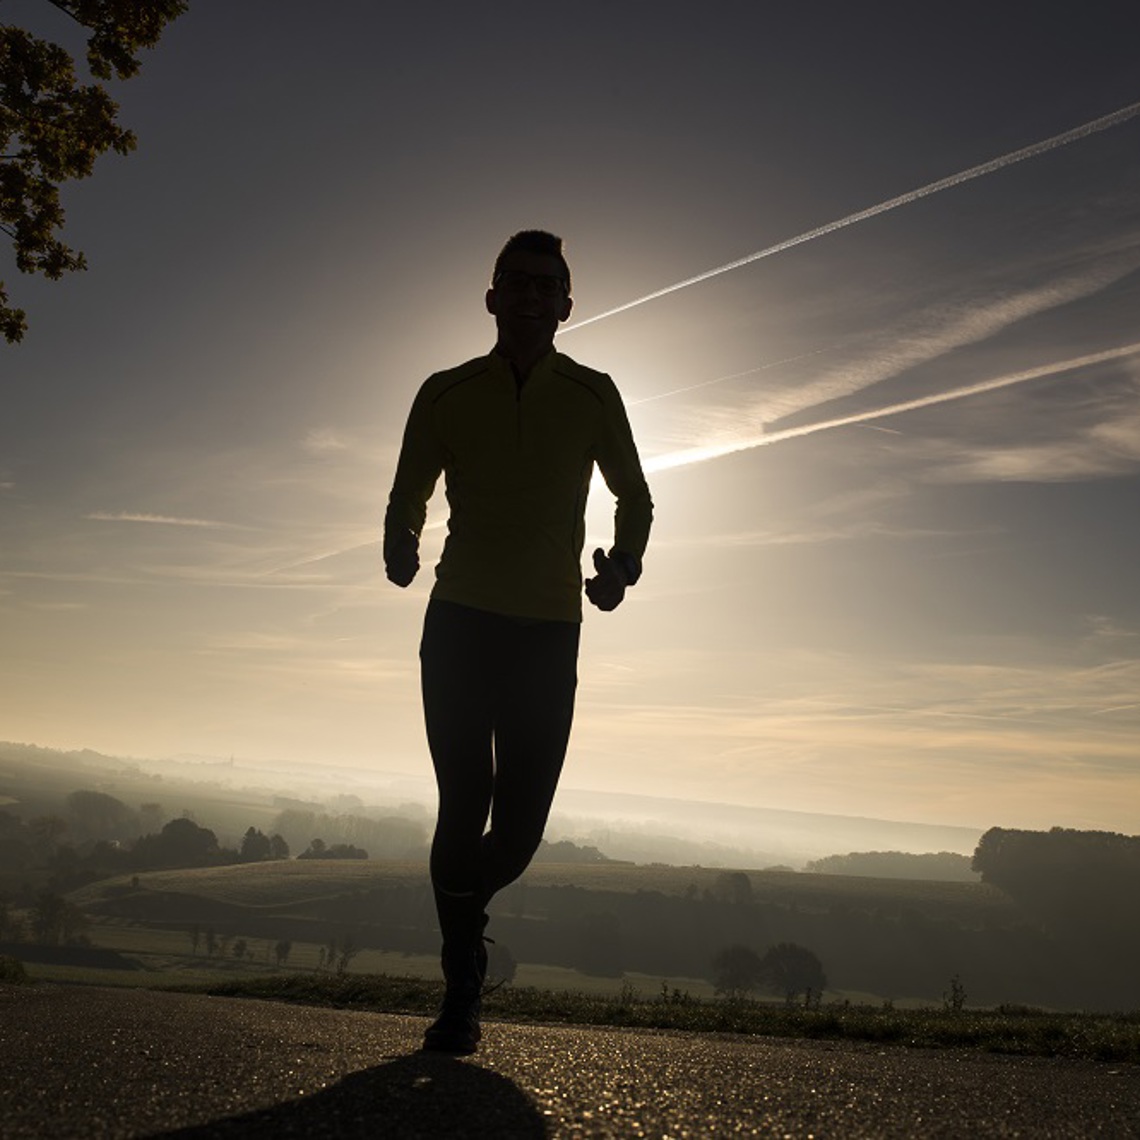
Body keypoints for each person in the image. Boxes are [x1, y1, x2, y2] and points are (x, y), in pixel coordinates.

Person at [383, 230, 653, 1053]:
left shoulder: (595, 393)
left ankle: (460, 908)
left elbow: (635, 498)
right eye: (517, 283)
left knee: (522, 827)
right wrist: (401, 545)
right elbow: (407, 490)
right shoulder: (444, 391)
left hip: (547, 634)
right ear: (491, 298)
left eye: (548, 286)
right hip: (460, 623)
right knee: (463, 803)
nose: (532, 296)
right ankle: (462, 985)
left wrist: (621, 571)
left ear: (568, 306)